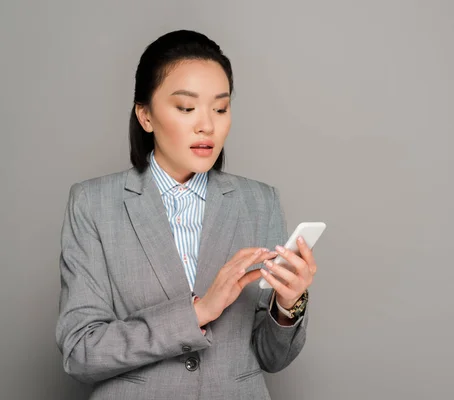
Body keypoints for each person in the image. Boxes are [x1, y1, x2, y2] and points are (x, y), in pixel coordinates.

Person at [55, 29, 316, 400]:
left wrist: (288, 306)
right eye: (186, 108)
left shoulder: (260, 202)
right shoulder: (93, 204)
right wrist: (197, 312)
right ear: (145, 115)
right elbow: (81, 351)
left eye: (221, 108)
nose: (207, 125)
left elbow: (271, 358)